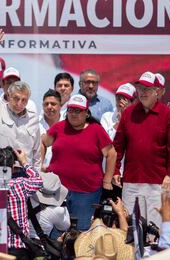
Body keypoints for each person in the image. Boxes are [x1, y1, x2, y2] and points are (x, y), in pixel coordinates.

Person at [113, 71, 170, 227]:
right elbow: (118, 145)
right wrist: (116, 170)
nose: (143, 92)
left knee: (155, 228)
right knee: (131, 227)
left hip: (158, 182)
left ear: (156, 91)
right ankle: (130, 253)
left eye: (147, 89)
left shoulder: (168, 115)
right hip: (131, 181)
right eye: (140, 88)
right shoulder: (128, 114)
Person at [41, 94, 116, 231]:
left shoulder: (96, 130)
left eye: (78, 111)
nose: (74, 114)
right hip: (57, 191)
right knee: (55, 232)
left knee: (80, 232)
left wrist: (107, 180)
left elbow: (111, 154)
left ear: (86, 113)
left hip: (86, 193)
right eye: (71, 110)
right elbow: (43, 142)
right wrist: (40, 165)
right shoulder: (59, 127)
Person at [0, 29, 41, 166]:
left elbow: (36, 155)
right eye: (16, 98)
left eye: (24, 100)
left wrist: (35, 179)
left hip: (24, 175)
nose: (19, 103)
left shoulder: (33, 119)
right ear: (8, 96)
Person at [0, 146, 42, 259]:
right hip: (18, 246)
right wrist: (24, 162)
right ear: (13, 168)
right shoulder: (20, 184)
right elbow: (38, 180)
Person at [28, 172, 70, 238]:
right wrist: (63, 205)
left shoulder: (23, 196)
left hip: (17, 241)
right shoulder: (58, 210)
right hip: (38, 245)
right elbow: (64, 227)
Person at [39, 89, 62, 168]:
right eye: (46, 104)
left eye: (53, 104)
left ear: (60, 105)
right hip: (40, 172)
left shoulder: (68, 125)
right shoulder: (34, 123)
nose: (49, 107)